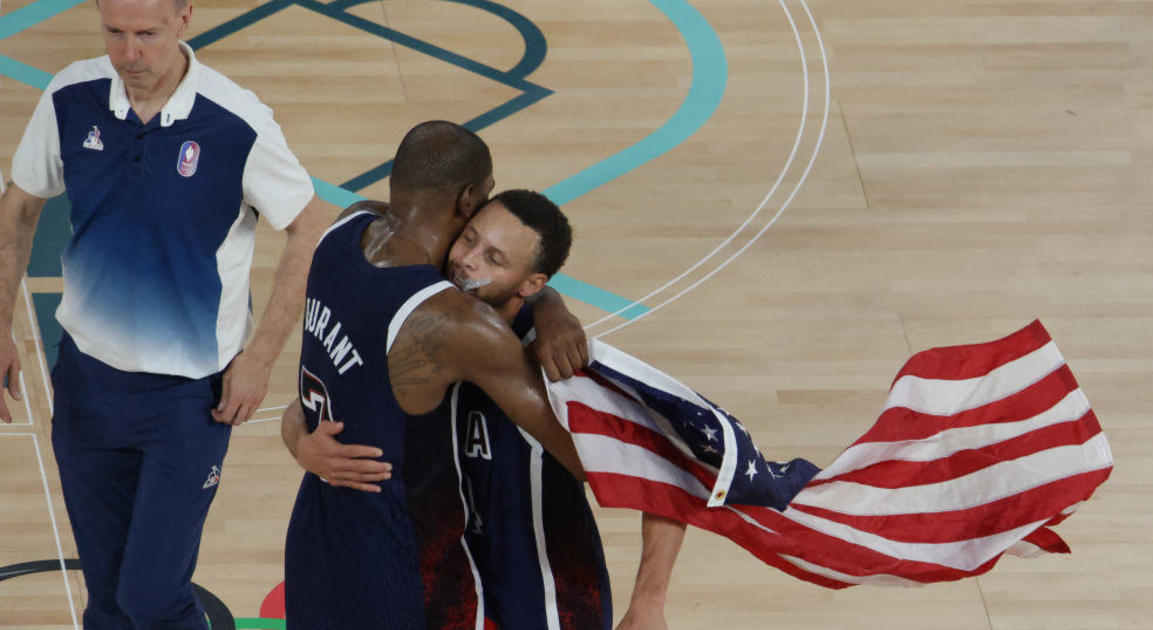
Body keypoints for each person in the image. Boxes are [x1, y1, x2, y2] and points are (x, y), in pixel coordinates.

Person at [0, 0, 329, 627]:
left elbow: (313, 230)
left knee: (153, 595)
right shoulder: (71, 95)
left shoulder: (237, 122)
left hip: (188, 401)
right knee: (108, 591)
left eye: (147, 34)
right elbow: (17, 208)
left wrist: (260, 358)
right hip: (86, 385)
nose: (129, 55)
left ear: (184, 17)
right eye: (114, 33)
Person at [285, 189, 685, 629]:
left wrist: (649, 601)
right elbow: (314, 400)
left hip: (546, 594)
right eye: (469, 239)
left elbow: (666, 467)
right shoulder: (427, 324)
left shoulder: (556, 364)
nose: (468, 261)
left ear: (531, 282)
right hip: (449, 581)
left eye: (494, 258)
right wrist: (302, 445)